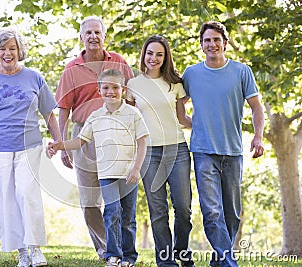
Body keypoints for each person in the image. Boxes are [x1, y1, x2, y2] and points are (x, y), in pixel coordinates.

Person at [0, 28, 61, 267]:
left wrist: (60, 143)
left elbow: (50, 114)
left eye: (12, 48)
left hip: (29, 145)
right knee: (6, 200)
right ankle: (22, 252)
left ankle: (36, 248)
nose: (8, 53)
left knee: (27, 193)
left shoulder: (34, 77)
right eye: (3, 49)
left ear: (20, 51)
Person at [182, 21, 265, 267]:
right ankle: (230, 263)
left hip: (233, 152)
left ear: (225, 43)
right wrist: (194, 124)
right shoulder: (192, 73)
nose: (212, 44)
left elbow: (256, 107)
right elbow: (178, 104)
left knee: (232, 213)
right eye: (207, 40)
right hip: (203, 152)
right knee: (212, 211)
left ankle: (219, 261)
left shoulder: (241, 71)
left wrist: (258, 136)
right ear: (201, 45)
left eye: (216, 39)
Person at [48, 69, 148, 267]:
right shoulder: (95, 116)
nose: (111, 91)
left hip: (129, 174)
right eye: (106, 88)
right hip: (107, 173)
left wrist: (136, 168)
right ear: (99, 90)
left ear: (123, 89)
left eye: (115, 87)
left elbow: (143, 141)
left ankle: (129, 257)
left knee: (128, 216)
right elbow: (80, 141)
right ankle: (113, 255)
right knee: (112, 212)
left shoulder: (133, 113)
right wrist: (60, 144)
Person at [55, 15, 134, 259]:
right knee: (90, 199)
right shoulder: (72, 69)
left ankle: (120, 248)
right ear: (81, 37)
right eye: (88, 33)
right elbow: (64, 110)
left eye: (97, 32)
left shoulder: (120, 63)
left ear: (104, 36)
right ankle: (105, 248)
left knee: (118, 197)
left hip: (117, 134)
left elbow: (134, 99)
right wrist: (63, 146)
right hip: (84, 137)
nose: (93, 37)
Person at [126, 35, 194, 267]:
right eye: (150, 53)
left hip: (177, 150)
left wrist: (208, 124)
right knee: (158, 210)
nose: (153, 58)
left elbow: (182, 118)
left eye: (159, 54)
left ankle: (182, 253)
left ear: (165, 58)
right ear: (144, 55)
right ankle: (166, 262)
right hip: (149, 154)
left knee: (183, 208)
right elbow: (131, 121)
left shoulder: (174, 83)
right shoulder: (133, 85)